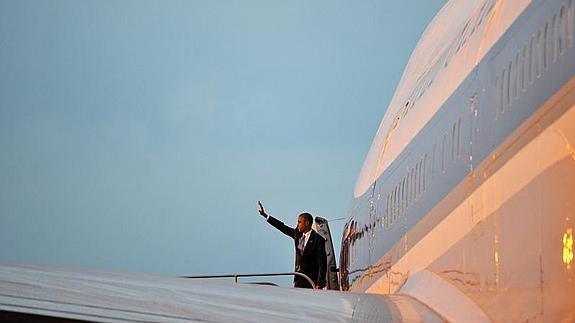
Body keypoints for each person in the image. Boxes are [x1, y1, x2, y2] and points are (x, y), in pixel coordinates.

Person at [257, 201, 327, 289]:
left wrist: (320, 283)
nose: (297, 225)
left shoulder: (318, 239)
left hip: (312, 280)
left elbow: (322, 263)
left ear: (307, 223)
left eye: (299, 222)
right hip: (299, 278)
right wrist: (266, 216)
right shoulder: (297, 234)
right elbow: (283, 227)